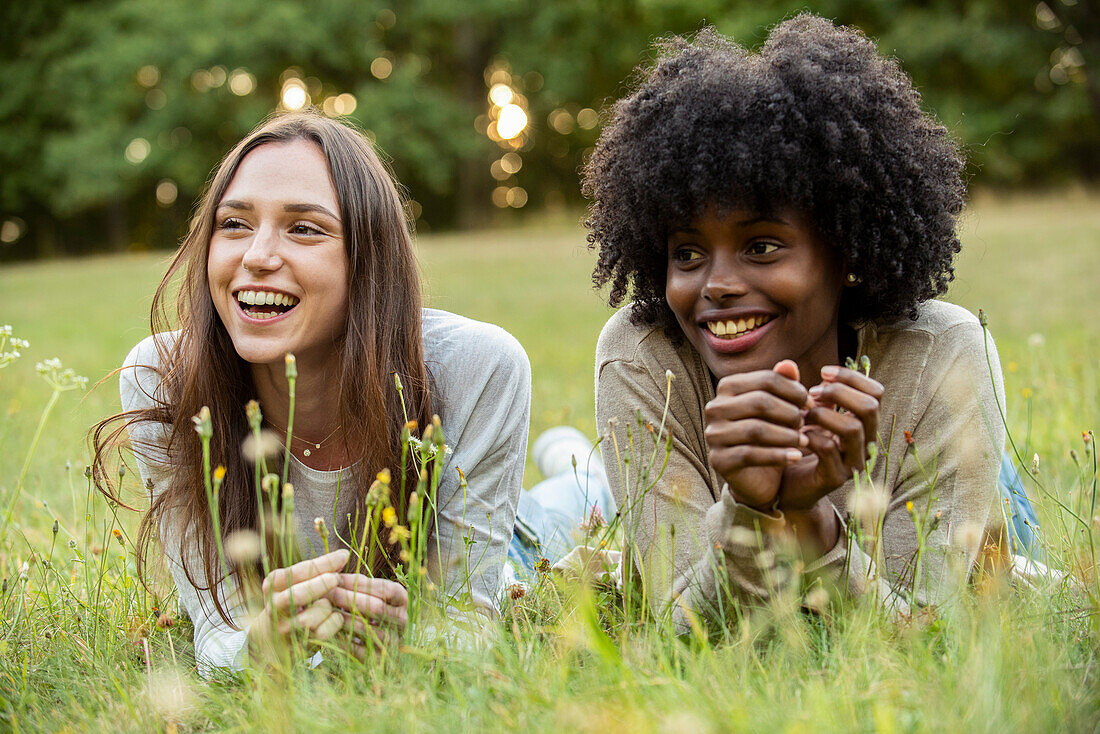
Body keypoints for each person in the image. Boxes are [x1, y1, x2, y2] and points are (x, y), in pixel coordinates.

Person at [582, 16, 1028, 630]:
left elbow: (923, 636)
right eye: (687, 253)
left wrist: (811, 522)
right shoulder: (643, 356)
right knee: (564, 513)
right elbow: (679, 634)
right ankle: (566, 464)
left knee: (1006, 550)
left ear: (845, 252)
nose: (716, 284)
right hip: (638, 488)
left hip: (957, 481)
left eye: (762, 246)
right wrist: (750, 508)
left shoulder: (943, 352)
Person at [93, 112, 531, 674]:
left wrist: (417, 641)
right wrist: (261, 644)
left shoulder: (477, 367)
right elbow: (215, 628)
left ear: (369, 259)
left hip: (511, 548)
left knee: (564, 512)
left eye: (304, 228)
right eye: (234, 224)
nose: (256, 255)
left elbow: (469, 625)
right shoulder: (164, 379)